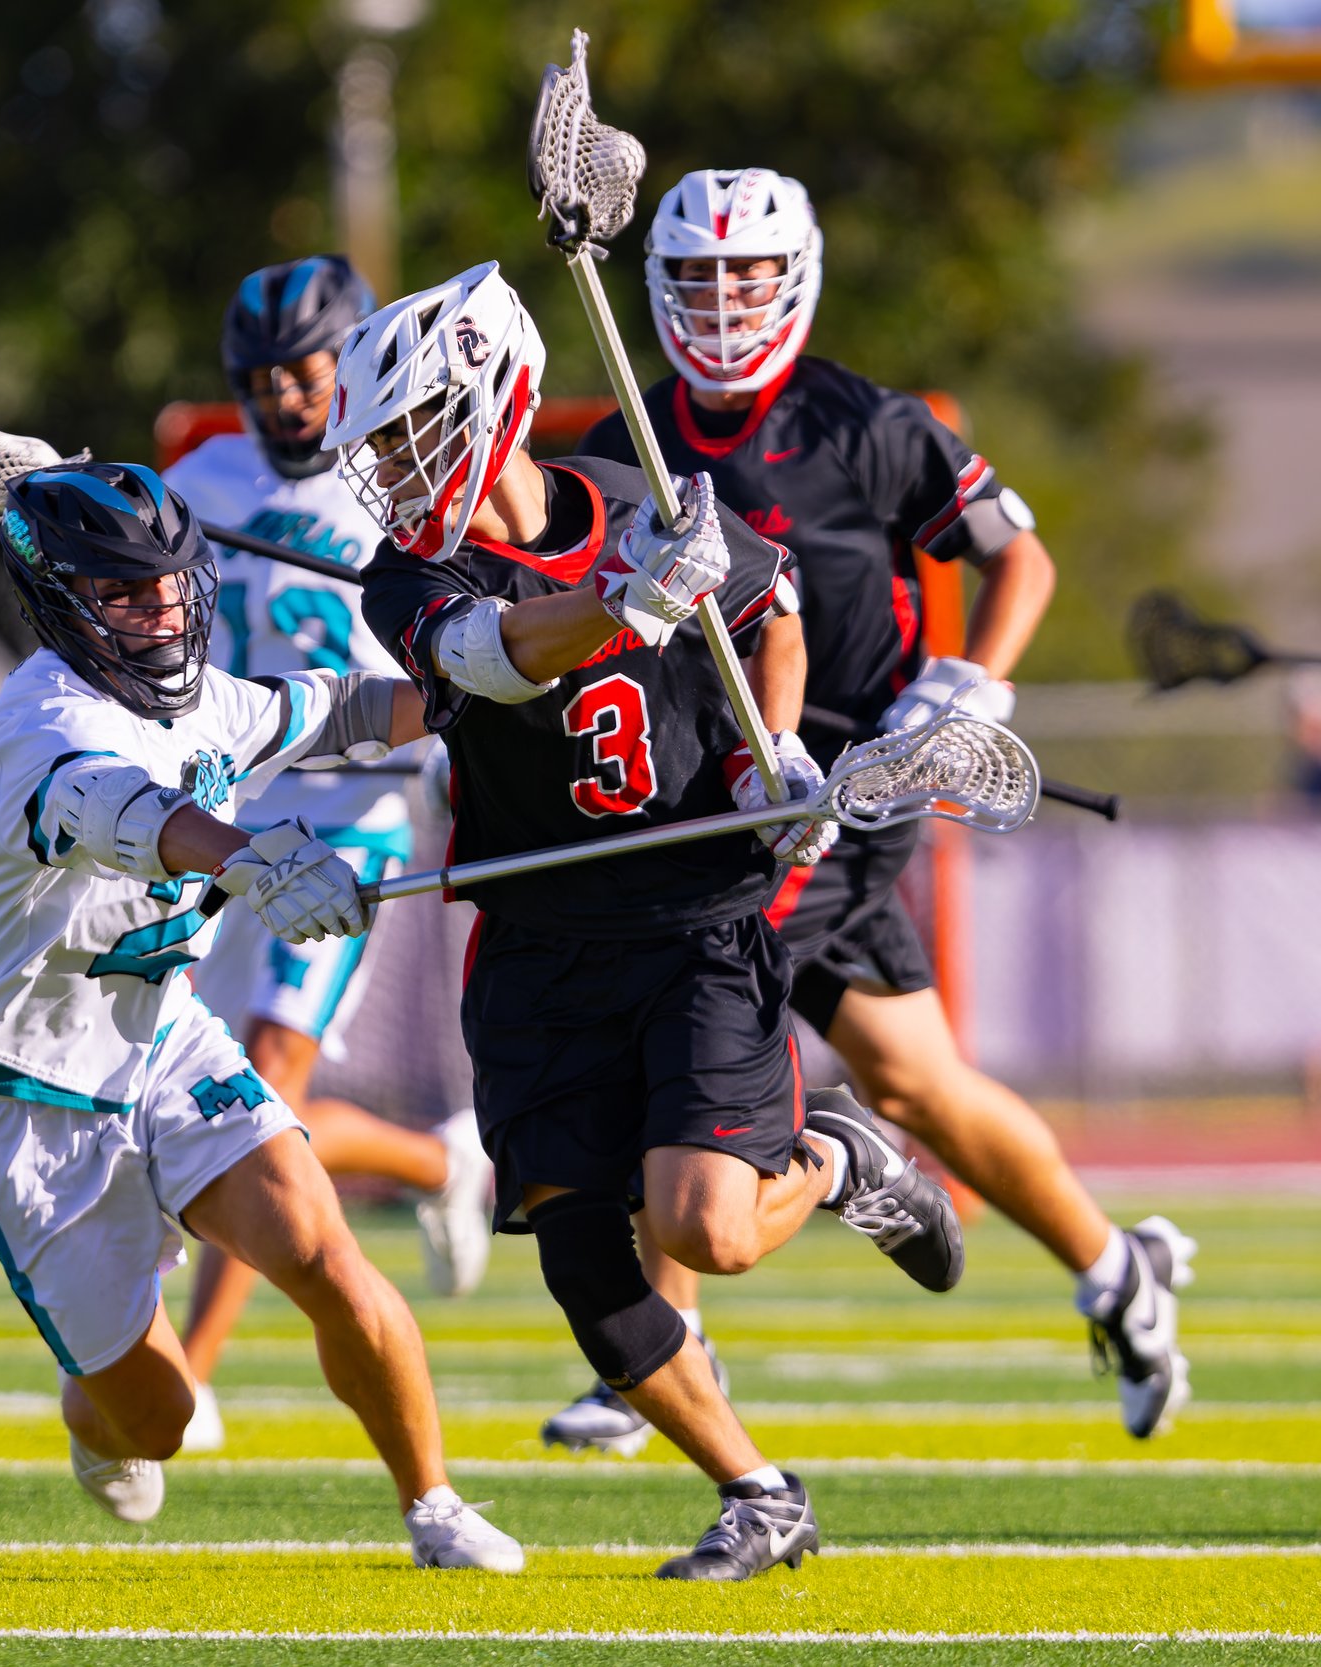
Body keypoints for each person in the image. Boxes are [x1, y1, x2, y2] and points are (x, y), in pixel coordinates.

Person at [329, 260, 966, 1581]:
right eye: (379, 443)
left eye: (413, 428)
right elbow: (482, 655)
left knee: (704, 1230)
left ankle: (839, 1157)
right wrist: (623, 600)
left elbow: (770, 610)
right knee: (583, 1263)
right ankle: (756, 1490)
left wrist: (773, 747)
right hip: (536, 936)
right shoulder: (410, 570)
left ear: (497, 397)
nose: (393, 466)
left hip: (692, 915)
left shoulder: (643, 503)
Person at [567, 168, 1195, 1448]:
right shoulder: (632, 435)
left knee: (689, 989)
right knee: (914, 1077)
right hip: (709, 787)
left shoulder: (865, 422)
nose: (724, 300)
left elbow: (1019, 551)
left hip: (850, 783)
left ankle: (667, 1348)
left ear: (793, 277)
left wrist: (976, 679)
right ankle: (1114, 1268)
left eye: (746, 275)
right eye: (697, 276)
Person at [0, 455, 519, 1569]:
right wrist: (258, 861)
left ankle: (432, 1503)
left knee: (317, 1243)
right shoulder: (44, 723)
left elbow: (342, 705)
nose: (160, 609)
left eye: (167, 583)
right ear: (60, 604)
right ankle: (89, 1408)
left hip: (162, 1035)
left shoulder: (201, 692)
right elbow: (134, 811)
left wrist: (485, 678)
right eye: (122, 591)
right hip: (35, 1092)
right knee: (159, 1419)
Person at [166, 256, 493, 1454]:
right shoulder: (200, 482)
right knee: (190, 1077)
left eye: (306, 372)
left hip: (356, 801)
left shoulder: (395, 480)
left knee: (260, 1084)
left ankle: (190, 1373)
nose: (287, 398)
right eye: (261, 379)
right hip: (228, 810)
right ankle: (430, 1160)